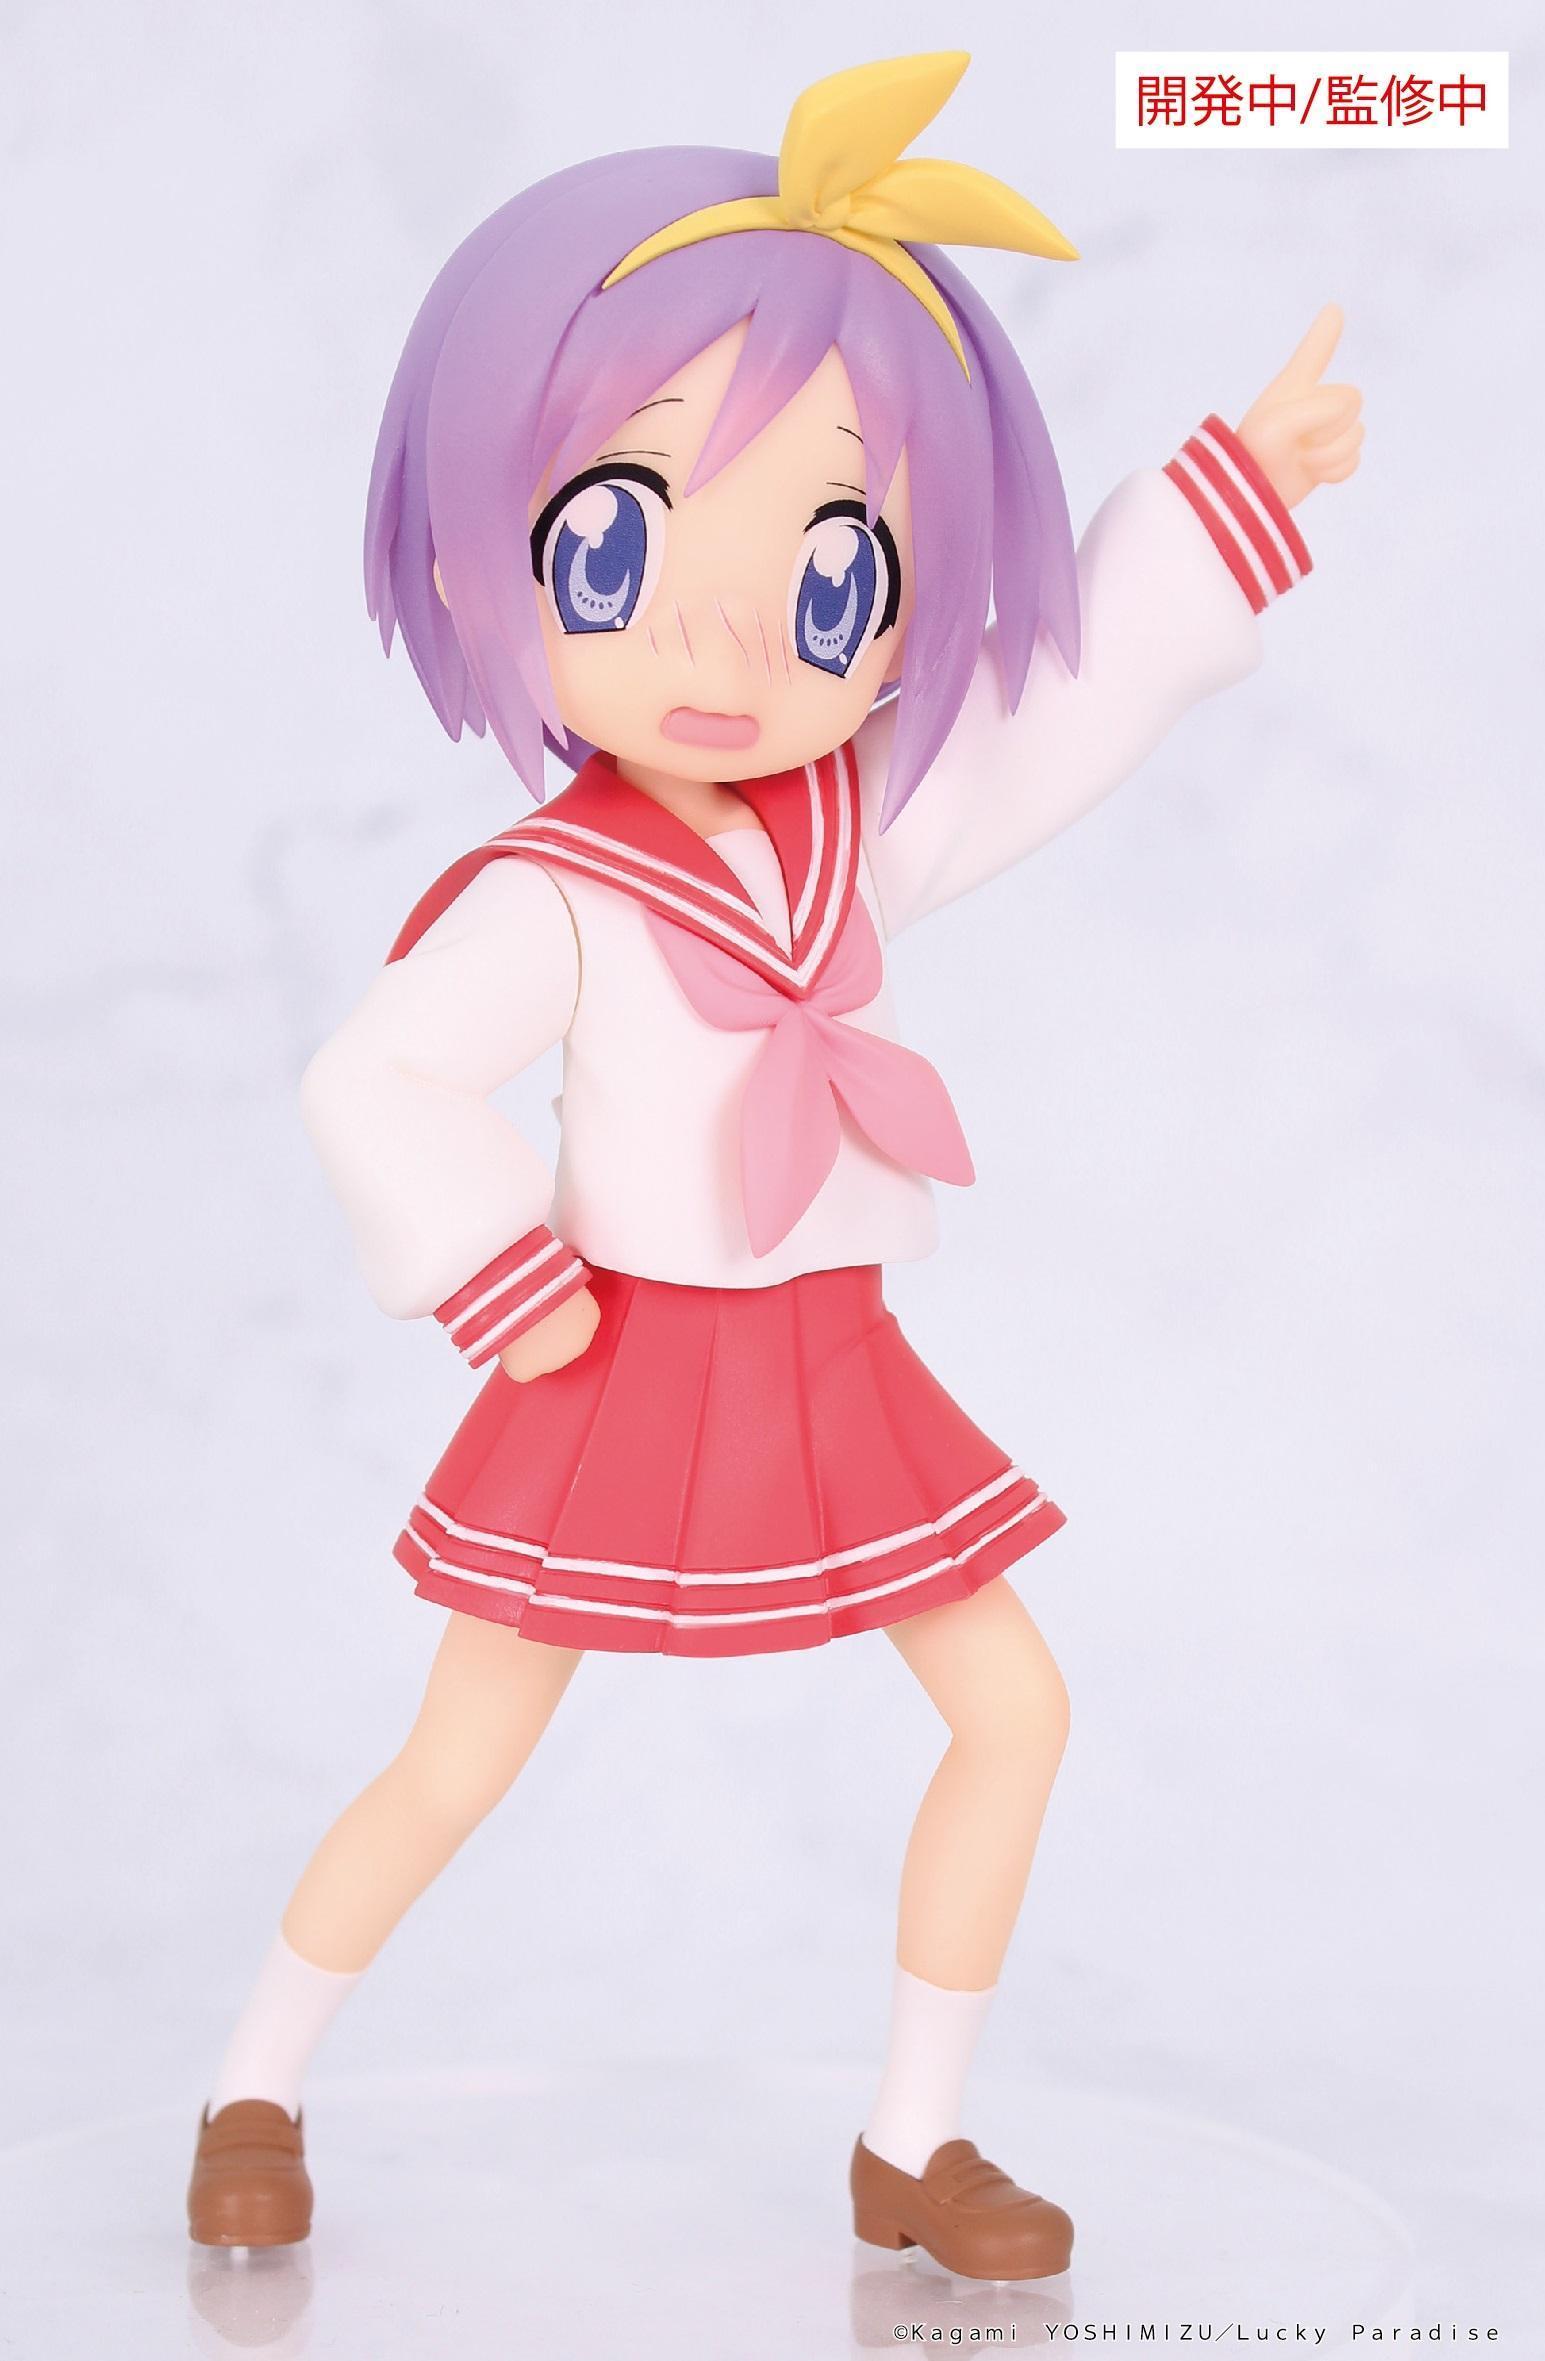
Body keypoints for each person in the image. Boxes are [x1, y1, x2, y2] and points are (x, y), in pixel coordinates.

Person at [186, 52, 1363, 2278]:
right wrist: (500, 1270)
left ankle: (915, 2137)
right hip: (613, 1362)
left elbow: (1061, 705)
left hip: (829, 1355)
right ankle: (255, 2076)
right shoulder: (553, 886)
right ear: (480, 555)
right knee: (457, 1761)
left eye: (831, 573)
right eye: (619, 547)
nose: (722, 645)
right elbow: (374, 1076)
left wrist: (1226, 494)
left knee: (1012, 1708)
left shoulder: (858, 829)